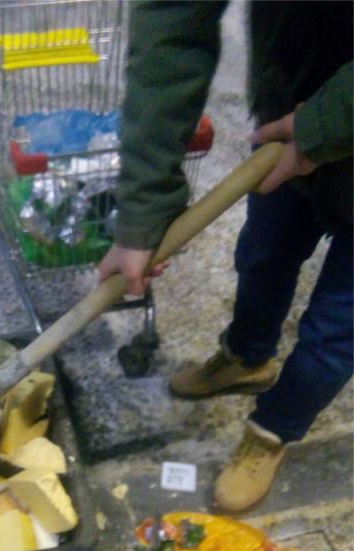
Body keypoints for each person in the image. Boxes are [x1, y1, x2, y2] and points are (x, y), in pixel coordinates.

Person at [98, 1, 353, 513]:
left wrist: (323, 125)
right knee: (263, 254)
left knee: (336, 327)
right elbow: (173, 25)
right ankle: (246, 360)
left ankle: (272, 430)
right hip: (292, 103)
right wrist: (144, 209)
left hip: (322, 116)